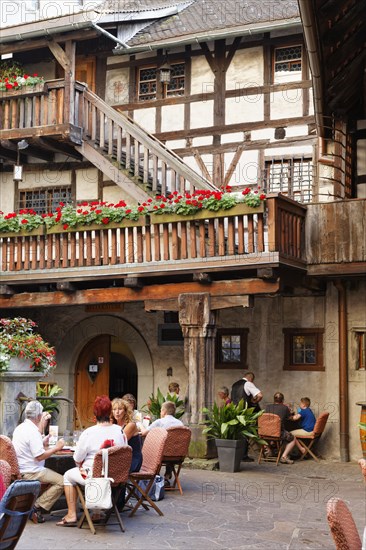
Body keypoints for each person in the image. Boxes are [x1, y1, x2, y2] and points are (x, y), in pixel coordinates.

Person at [56, 395, 126, 526]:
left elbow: (77, 459)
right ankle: (97, 512)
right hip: (116, 476)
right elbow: (124, 451)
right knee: (97, 471)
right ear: (110, 412)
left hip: (93, 477)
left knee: (68, 476)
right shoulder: (120, 431)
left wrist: (81, 465)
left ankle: (71, 515)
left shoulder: (89, 433)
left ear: (95, 413)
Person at [12, 400, 65, 524]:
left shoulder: (20, 428)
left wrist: (43, 442)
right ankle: (36, 506)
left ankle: (35, 506)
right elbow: (40, 456)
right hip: (32, 471)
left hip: (22, 468)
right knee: (63, 481)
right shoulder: (33, 431)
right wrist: (56, 448)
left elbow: (30, 448)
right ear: (38, 416)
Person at [140, 401, 183, 487]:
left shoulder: (160, 422)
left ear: (164, 412)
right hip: (177, 454)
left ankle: (156, 477)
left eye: (160, 411)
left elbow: (144, 433)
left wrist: (140, 425)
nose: (160, 413)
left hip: (161, 454)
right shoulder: (180, 423)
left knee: (153, 449)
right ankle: (167, 477)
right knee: (170, 448)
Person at [265, 392, 306, 464]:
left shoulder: (268, 407)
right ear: (282, 400)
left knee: (260, 434)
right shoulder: (284, 408)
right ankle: (284, 457)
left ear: (274, 400)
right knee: (292, 438)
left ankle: (269, 450)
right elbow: (291, 418)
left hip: (266, 432)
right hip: (278, 433)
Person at [231, 372, 263, 462]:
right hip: (244, 412)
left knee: (237, 433)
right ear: (251, 379)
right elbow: (260, 395)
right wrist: (254, 402)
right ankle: (243, 456)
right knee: (245, 433)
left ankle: (237, 453)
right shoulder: (248, 383)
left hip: (234, 412)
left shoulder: (234, 385)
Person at [111, 398, 142, 472]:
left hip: (132, 459)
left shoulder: (130, 425)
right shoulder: (114, 425)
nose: (117, 412)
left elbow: (118, 443)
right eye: (114, 409)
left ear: (125, 411)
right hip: (120, 457)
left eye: (120, 409)